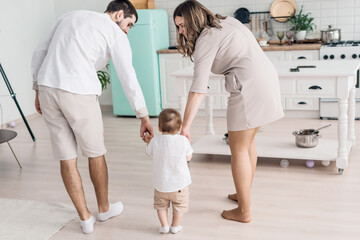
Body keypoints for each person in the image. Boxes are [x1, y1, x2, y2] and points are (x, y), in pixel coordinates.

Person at [31, 0, 154, 234]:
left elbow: (40, 51)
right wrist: (143, 116)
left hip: (47, 87)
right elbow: (128, 76)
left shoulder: (70, 15)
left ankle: (85, 218)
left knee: (66, 157)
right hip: (79, 92)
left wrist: (37, 88)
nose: (128, 29)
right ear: (119, 14)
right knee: (95, 152)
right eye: (129, 24)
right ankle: (104, 209)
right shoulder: (115, 33)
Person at [173, 0, 284, 223]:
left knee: (238, 147)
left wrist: (185, 128)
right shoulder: (226, 22)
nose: (181, 31)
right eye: (178, 27)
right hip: (265, 78)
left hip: (248, 88)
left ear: (194, 19)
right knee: (247, 143)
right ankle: (243, 195)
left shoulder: (206, 38)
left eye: (183, 25)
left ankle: (244, 211)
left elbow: (197, 89)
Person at [144, 108, 193, 234]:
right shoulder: (183, 140)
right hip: (179, 184)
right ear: (179, 128)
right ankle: (175, 226)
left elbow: (149, 152)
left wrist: (149, 142)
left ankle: (164, 225)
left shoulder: (155, 141)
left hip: (161, 184)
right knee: (179, 207)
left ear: (159, 128)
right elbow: (189, 156)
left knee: (161, 206)